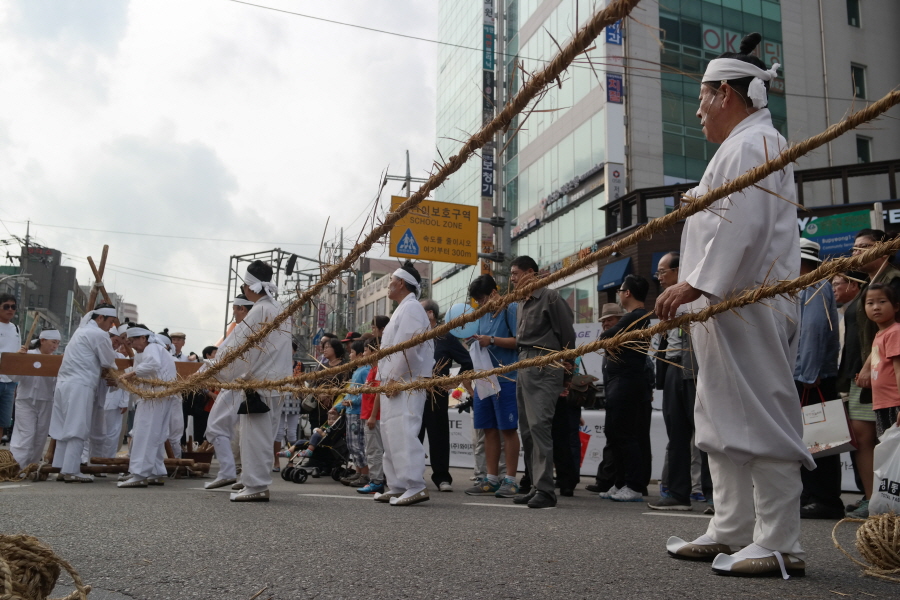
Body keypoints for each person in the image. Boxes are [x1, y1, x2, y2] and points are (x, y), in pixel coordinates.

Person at [656, 33, 811, 578]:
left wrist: (695, 283)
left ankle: (778, 540)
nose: (697, 110)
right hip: (727, 305)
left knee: (764, 417)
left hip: (747, 302)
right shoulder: (740, 147)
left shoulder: (754, 144)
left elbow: (742, 224)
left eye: (702, 97)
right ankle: (731, 526)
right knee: (719, 421)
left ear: (726, 93)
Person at [216, 260, 293, 502]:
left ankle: (256, 485)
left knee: (255, 436)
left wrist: (219, 370)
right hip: (276, 382)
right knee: (263, 435)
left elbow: (240, 347)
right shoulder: (279, 308)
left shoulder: (260, 310)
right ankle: (254, 481)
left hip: (261, 382)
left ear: (250, 287)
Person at [509, 255, 576, 509]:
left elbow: (568, 336)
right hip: (523, 363)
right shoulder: (521, 303)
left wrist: (567, 373)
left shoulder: (550, 297)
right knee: (526, 429)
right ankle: (536, 484)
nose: (512, 279)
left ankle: (547, 490)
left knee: (539, 426)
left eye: (515, 273)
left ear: (530, 273)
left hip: (546, 363)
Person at [374, 261, 434, 506]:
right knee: (390, 433)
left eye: (390, 282)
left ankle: (415, 485)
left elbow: (407, 348)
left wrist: (394, 379)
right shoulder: (402, 309)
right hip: (392, 383)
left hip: (405, 382)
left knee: (405, 431)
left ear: (400, 283)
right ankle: (397, 484)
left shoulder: (412, 309)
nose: (388, 286)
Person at [792, 240, 843, 519]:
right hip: (807, 373)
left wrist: (809, 374)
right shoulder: (810, 285)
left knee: (818, 439)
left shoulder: (813, 286)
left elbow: (813, 331)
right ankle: (814, 494)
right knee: (810, 437)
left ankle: (824, 497)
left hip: (811, 376)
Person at [596, 274, 653, 503]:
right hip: (618, 381)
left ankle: (634, 484)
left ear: (627, 292)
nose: (619, 293)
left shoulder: (638, 316)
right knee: (614, 432)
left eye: (620, 290)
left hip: (627, 381)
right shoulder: (634, 317)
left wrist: (609, 340)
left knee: (626, 434)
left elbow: (607, 335)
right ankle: (619, 482)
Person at [48, 304, 119, 482]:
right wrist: (120, 376)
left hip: (63, 383)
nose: (111, 327)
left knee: (64, 427)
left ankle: (60, 467)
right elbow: (109, 361)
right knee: (77, 427)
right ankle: (71, 470)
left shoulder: (79, 331)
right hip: (80, 384)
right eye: (110, 322)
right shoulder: (98, 334)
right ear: (100, 318)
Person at [463, 275, 519, 498]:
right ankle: (491, 478)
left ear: (494, 292)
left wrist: (492, 340)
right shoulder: (481, 315)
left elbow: (520, 340)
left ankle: (512, 480)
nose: (481, 303)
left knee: (508, 429)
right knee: (488, 428)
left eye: (483, 298)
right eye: (477, 300)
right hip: (484, 377)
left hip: (507, 378)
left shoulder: (510, 309)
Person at [118, 324, 180, 488]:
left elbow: (152, 364)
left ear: (143, 338)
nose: (131, 345)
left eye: (133, 341)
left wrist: (129, 374)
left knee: (144, 433)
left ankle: (140, 474)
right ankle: (155, 472)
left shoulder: (152, 348)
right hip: (155, 396)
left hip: (156, 396)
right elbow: (141, 369)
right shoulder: (146, 351)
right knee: (155, 435)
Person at [420, 298, 472, 493]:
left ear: (430, 314)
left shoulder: (445, 337)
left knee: (438, 436)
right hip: (414, 393)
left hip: (436, 394)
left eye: (421, 311)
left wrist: (453, 382)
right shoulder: (415, 336)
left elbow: (467, 361)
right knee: (413, 436)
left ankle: (442, 477)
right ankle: (413, 476)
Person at [833, 271, 872, 518]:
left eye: (838, 283)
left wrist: (868, 367)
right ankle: (870, 497)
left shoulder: (881, 286)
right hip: (856, 377)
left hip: (871, 377)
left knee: (872, 439)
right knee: (861, 439)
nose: (834, 288)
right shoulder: (847, 308)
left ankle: (878, 497)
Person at [204, 295, 252, 490]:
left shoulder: (244, 329)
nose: (233, 313)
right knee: (237, 432)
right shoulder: (246, 329)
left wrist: (203, 371)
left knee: (217, 428)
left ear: (241, 309)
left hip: (237, 385)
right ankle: (238, 474)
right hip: (236, 384)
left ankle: (231, 473)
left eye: (235, 309)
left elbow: (224, 357)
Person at [586, 303, 624, 495]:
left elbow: (644, 366)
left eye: (610, 319)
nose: (606, 324)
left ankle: (617, 481)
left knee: (622, 439)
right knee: (612, 438)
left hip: (624, 395)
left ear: (620, 320)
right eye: (603, 321)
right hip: (611, 395)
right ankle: (608, 480)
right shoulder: (609, 342)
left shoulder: (625, 339)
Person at [9, 329, 60, 467]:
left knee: (40, 436)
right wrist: (19, 360)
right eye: (53, 342)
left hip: (46, 401)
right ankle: (17, 466)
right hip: (25, 400)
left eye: (57, 343)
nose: (55, 346)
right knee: (25, 434)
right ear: (42, 341)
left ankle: (32, 466)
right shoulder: (28, 355)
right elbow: (14, 377)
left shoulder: (56, 360)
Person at [863, 284, 900, 435]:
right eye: (870, 303)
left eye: (882, 302)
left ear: (896, 307)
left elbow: (899, 370)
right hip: (883, 404)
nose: (876, 307)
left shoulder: (895, 332)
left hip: (895, 403)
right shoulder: (881, 334)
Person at [339, 339, 371, 487]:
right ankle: (358, 472)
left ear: (359, 354)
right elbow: (350, 393)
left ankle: (365, 474)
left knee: (358, 445)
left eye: (352, 352)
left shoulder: (365, 370)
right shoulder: (357, 370)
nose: (350, 355)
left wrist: (353, 402)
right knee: (352, 445)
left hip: (358, 412)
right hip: (350, 412)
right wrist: (339, 406)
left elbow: (365, 393)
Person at [357, 337, 385, 494]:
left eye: (366, 350)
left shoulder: (379, 370)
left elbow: (379, 394)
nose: (364, 353)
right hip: (366, 414)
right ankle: (376, 479)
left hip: (374, 416)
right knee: (371, 449)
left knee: (374, 450)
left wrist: (373, 415)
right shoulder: (371, 370)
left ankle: (376, 481)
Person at [0, 293, 21, 445]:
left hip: (10, 382)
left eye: (13, 307)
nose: (10, 310)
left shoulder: (16, 329)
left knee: (3, 421)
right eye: (6, 306)